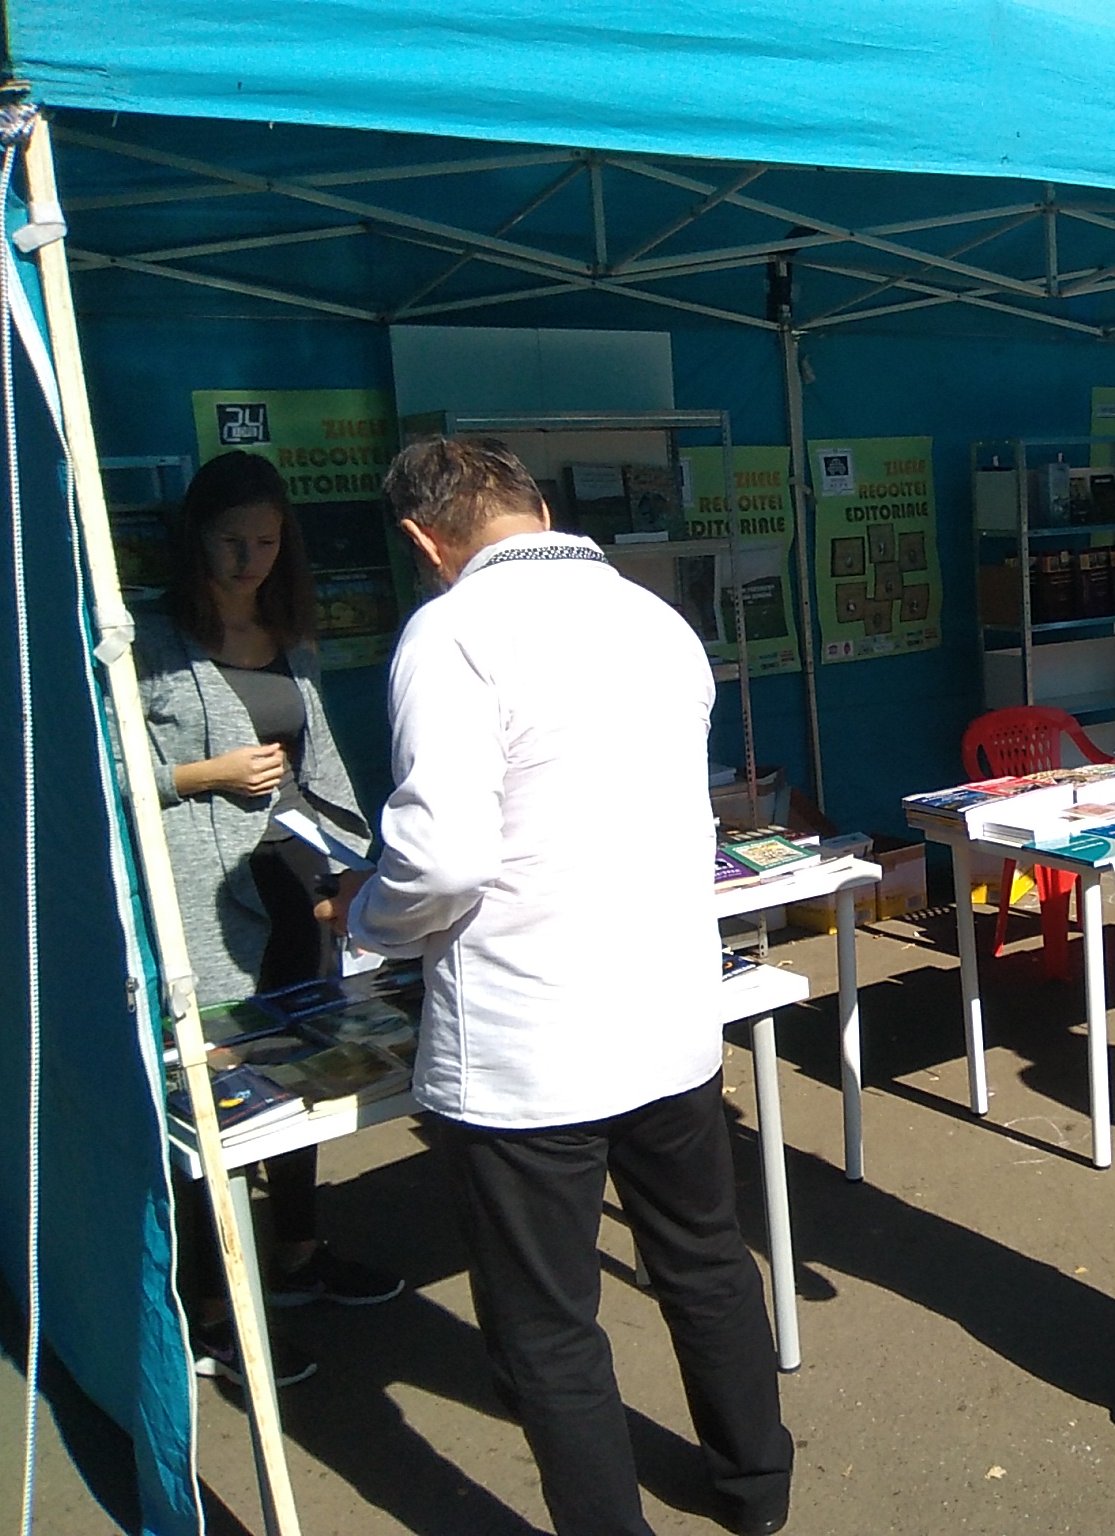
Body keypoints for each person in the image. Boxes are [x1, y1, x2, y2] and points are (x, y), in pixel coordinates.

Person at [342, 438, 793, 1536]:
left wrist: (364, 921)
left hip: (527, 1042)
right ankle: (757, 1488)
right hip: (666, 1014)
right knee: (703, 1261)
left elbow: (443, 860)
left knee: (548, 1328)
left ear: (422, 541)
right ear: (538, 508)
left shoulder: (450, 631)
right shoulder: (655, 619)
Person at [136, 450, 404, 1388]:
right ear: (195, 537)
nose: (249, 559)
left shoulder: (289, 637)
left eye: (266, 541)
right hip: (205, 896)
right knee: (213, 1085)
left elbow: (320, 768)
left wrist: (353, 869)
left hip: (295, 884)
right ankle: (210, 1307)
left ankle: (296, 1253)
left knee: (303, 1066)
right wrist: (199, 775)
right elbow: (102, 773)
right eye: (231, 540)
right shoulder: (149, 642)